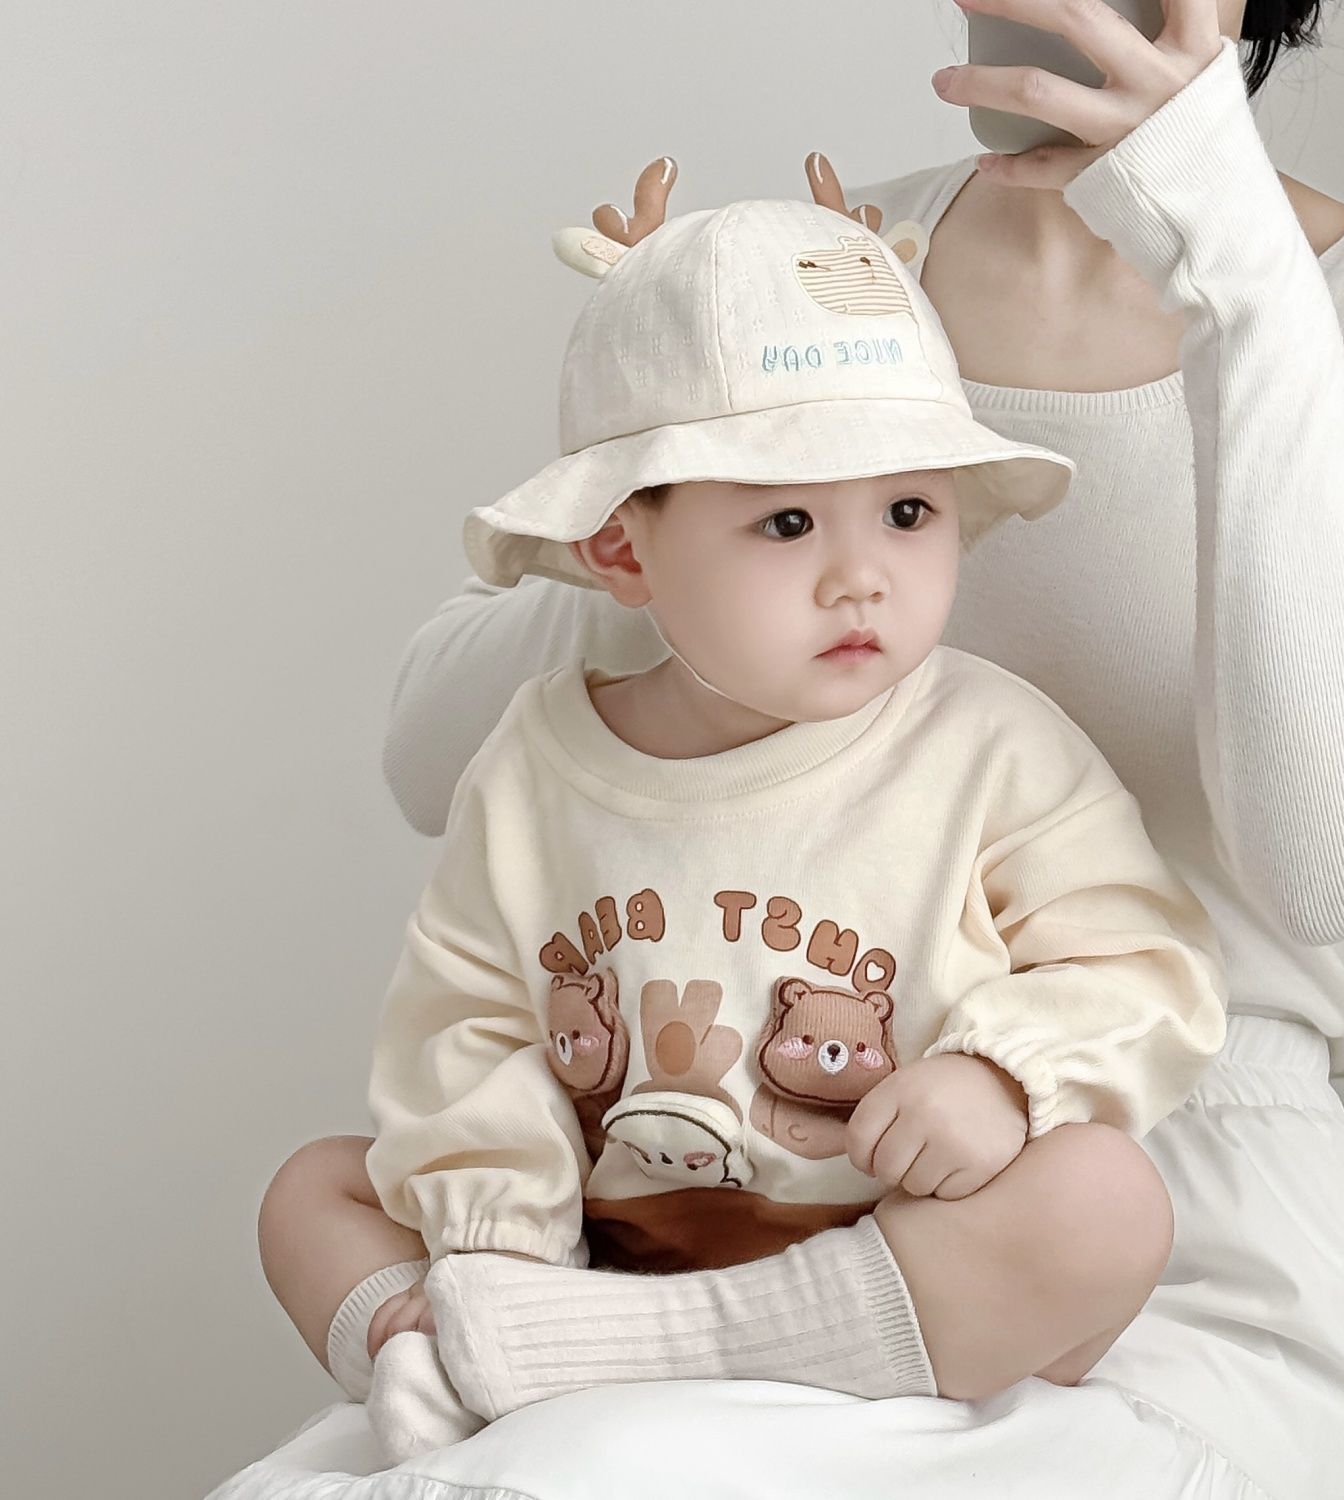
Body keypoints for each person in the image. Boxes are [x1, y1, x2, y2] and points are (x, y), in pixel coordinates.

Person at [258, 2, 1344, 1495]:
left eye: (913, 510)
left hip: (1140, 1191)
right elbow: (439, 761)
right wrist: (667, 454)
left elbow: (1335, 869)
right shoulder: (830, 266)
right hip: (686, 1184)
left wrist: (1232, 264)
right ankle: (551, 1343)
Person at [263, 175, 1232, 1467]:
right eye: (786, 520)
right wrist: (504, 1233)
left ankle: (668, 1352)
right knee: (310, 1195)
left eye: (909, 511)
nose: (862, 574)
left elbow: (1145, 959)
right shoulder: (539, 767)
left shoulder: (985, 744)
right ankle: (446, 1342)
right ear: (624, 556)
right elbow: (466, 1025)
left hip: (894, 1236)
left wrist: (1000, 1074)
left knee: (1105, 1205)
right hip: (602, 1247)